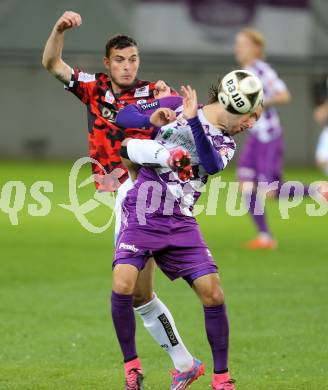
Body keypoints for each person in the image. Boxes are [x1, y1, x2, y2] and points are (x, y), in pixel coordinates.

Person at [42, 11, 197, 389]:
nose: (128, 67)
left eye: (133, 59)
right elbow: (51, 63)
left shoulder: (152, 94)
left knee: (127, 287)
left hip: (144, 193)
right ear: (107, 63)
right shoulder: (93, 88)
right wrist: (59, 29)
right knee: (140, 293)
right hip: (123, 197)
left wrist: (170, 106)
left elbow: (183, 127)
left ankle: (137, 368)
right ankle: (185, 362)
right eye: (120, 60)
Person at [113, 70, 264, 389]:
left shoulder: (225, 142)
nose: (252, 125)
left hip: (180, 219)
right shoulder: (177, 104)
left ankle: (221, 379)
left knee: (214, 293)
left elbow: (210, 164)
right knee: (127, 286)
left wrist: (194, 121)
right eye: (253, 116)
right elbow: (123, 116)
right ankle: (133, 369)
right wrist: (152, 114)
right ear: (237, 105)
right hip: (143, 206)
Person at [234, 28, 291, 249]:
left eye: (243, 44)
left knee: (270, 191)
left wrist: (260, 101)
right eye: (238, 44)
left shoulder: (261, 70)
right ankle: (265, 237)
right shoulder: (245, 72)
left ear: (256, 48)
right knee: (246, 185)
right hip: (255, 137)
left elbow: (284, 95)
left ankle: (318, 190)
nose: (238, 48)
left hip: (269, 137)